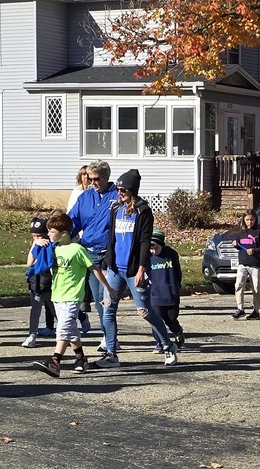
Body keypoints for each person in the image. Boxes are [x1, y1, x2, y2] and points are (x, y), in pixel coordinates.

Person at [97, 169, 179, 368]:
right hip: (115, 268)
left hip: (134, 269)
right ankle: (111, 354)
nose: (120, 193)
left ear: (132, 190)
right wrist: (107, 264)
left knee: (144, 310)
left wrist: (142, 268)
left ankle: (168, 345)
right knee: (108, 308)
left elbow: (144, 242)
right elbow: (111, 238)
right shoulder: (116, 208)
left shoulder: (143, 211)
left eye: (123, 190)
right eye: (118, 189)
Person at [30, 212, 111, 377]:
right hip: (57, 296)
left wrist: (108, 288)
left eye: (52, 231)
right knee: (71, 330)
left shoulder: (77, 250)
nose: (48, 234)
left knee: (63, 329)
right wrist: (35, 244)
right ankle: (81, 358)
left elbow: (94, 269)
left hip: (72, 296)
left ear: (64, 233)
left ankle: (55, 362)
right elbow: (30, 263)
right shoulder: (52, 248)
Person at [67, 160, 117, 347]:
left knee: (108, 299)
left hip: (111, 255)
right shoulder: (85, 197)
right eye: (90, 178)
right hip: (90, 254)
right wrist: (59, 237)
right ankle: (108, 338)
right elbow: (73, 221)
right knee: (99, 300)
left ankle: (111, 340)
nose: (92, 182)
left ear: (106, 177)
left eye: (96, 179)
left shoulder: (117, 196)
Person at [22, 217, 56, 348]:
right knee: (35, 309)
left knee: (54, 309)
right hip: (36, 281)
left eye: (39, 236)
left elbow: (47, 262)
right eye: (34, 236)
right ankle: (32, 335)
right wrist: (34, 245)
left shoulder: (52, 245)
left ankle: (67, 333)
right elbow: (29, 262)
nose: (37, 238)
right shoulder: (36, 245)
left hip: (49, 282)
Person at [148, 228, 185, 349]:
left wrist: (176, 288)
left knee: (171, 319)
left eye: (156, 248)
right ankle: (161, 342)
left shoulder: (171, 254)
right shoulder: (147, 256)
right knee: (156, 320)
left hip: (170, 294)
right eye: (151, 248)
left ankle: (178, 332)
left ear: (162, 245)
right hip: (155, 295)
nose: (154, 251)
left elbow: (178, 273)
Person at [230, 209, 260, 320]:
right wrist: (236, 244)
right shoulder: (241, 232)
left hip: (255, 264)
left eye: (252, 220)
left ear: (255, 220)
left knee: (255, 288)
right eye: (247, 220)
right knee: (238, 285)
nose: (249, 222)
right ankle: (240, 308)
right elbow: (239, 245)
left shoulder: (259, 232)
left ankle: (256, 311)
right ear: (243, 220)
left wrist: (254, 251)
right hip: (243, 263)